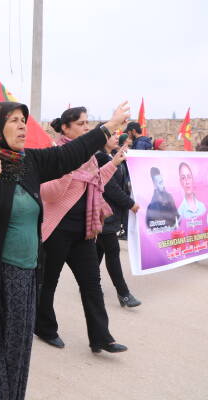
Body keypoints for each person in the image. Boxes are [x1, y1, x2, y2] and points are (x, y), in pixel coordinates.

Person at [0, 101, 130, 400]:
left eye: (23, 120)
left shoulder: (28, 163)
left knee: (15, 354)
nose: (22, 126)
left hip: (23, 281)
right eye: (13, 120)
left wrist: (108, 127)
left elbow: (70, 154)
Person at [36, 106, 128, 355]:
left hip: (84, 232)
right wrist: (65, 171)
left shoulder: (91, 158)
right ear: (65, 128)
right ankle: (45, 328)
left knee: (92, 284)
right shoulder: (54, 155)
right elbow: (47, 193)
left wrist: (114, 163)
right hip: (56, 231)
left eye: (87, 123)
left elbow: (95, 182)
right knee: (48, 283)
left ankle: (101, 337)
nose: (86, 127)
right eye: (80, 124)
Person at [95, 129, 142, 308]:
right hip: (104, 213)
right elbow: (110, 188)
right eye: (112, 135)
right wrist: (130, 204)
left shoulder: (111, 156)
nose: (117, 138)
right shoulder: (100, 158)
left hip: (112, 213)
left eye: (117, 135)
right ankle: (123, 293)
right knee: (113, 252)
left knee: (99, 251)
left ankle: (90, 283)